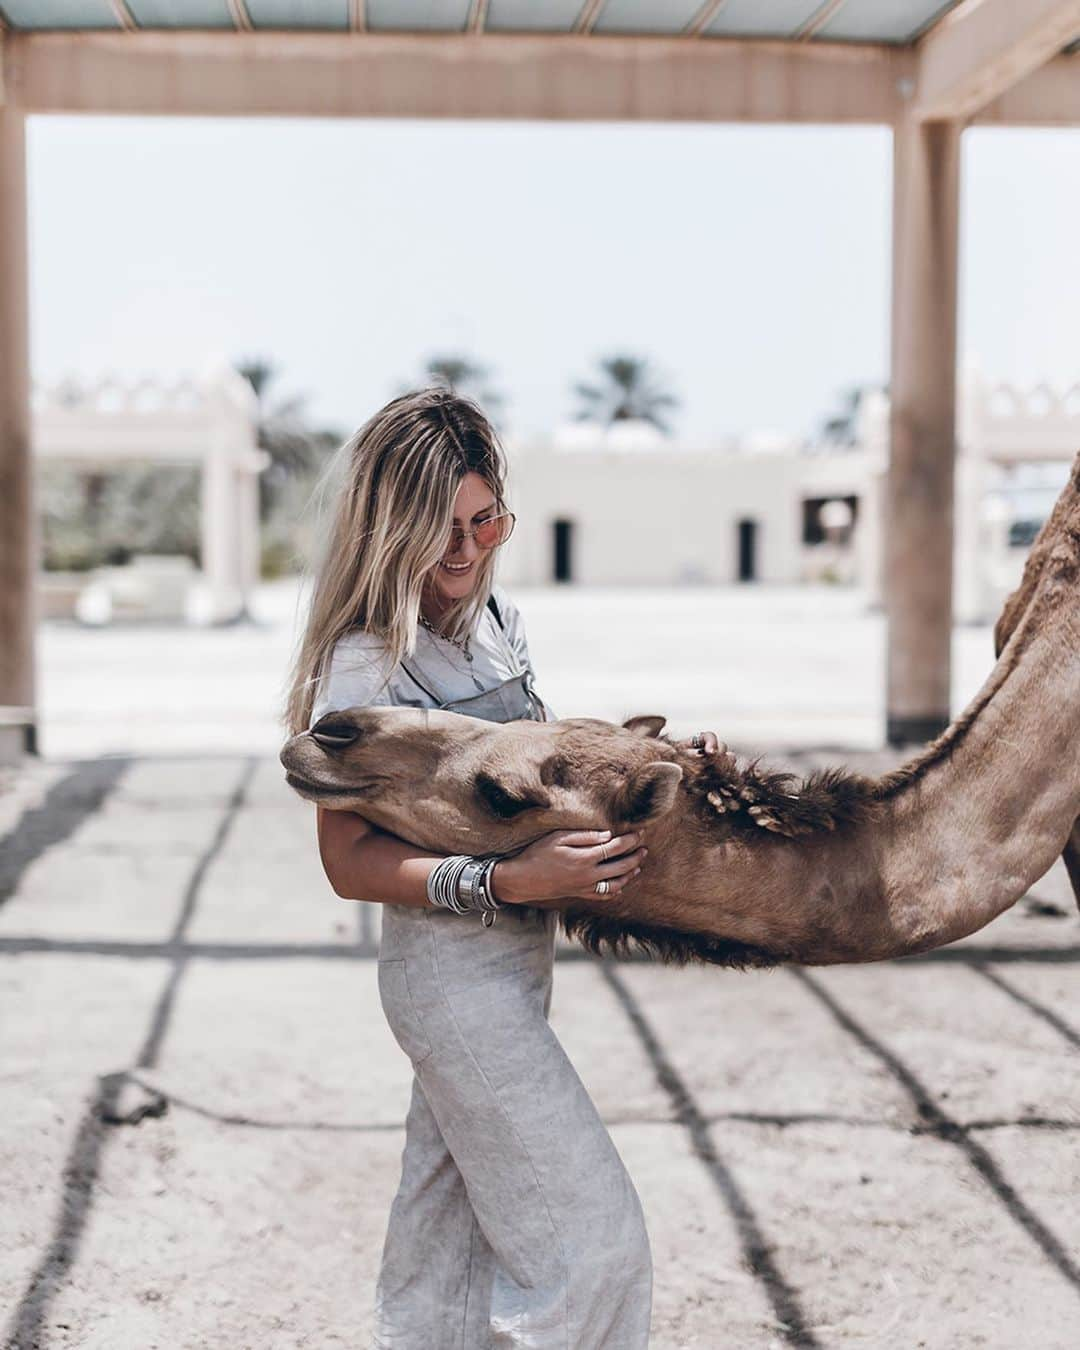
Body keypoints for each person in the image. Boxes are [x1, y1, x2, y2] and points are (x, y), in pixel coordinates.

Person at [284, 388, 717, 1349]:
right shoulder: (364, 663)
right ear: (388, 526)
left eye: (488, 522)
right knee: (591, 1244)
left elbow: (522, 782)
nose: (466, 552)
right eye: (440, 529)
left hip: (517, 972)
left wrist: (661, 767)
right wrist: (504, 886)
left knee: (447, 1248)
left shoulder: (497, 623)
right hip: (449, 980)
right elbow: (346, 862)